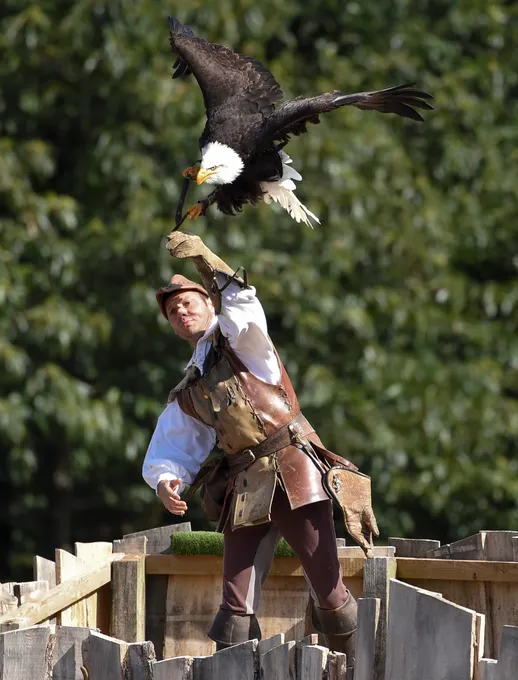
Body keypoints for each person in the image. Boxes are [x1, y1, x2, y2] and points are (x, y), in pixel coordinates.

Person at [142, 231, 379, 668]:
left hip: (293, 469)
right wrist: (166, 480)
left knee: (329, 591)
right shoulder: (190, 387)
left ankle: (357, 671)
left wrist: (206, 259)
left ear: (209, 305)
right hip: (246, 484)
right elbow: (172, 445)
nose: (181, 311)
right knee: (234, 607)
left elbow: (242, 303)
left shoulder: (242, 341)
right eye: (172, 311)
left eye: (188, 302)